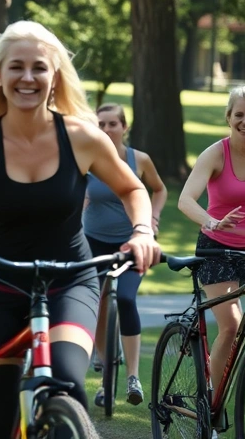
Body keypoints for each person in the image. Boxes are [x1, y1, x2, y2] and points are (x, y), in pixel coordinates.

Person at [0, 21, 160, 439]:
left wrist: (141, 231)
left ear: (55, 76)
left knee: (65, 382)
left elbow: (133, 188)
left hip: (70, 280)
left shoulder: (83, 138)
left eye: (39, 68)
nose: (27, 77)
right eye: (16, 67)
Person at [178, 85, 245, 394]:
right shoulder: (214, 154)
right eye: (239, 115)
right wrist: (213, 221)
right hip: (217, 247)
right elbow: (185, 200)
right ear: (229, 118)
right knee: (231, 325)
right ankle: (211, 398)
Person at [84, 103, 167, 407]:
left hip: (131, 244)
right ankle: (106, 374)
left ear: (124, 127)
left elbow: (158, 189)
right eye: (100, 125)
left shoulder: (139, 160)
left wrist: (152, 220)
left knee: (126, 299)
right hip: (93, 242)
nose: (106, 130)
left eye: (111, 124)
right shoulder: (88, 159)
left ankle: (133, 376)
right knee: (98, 302)